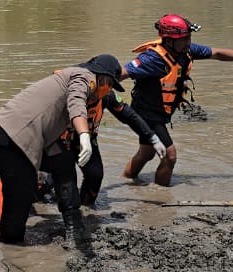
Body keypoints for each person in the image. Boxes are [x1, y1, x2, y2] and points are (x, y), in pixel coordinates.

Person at [0, 57, 133, 249]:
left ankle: (73, 225)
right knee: (20, 196)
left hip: (33, 138)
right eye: (110, 85)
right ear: (103, 77)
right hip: (11, 138)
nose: (109, 90)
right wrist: (84, 136)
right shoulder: (84, 77)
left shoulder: (80, 77)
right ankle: (11, 248)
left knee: (63, 164)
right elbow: (76, 103)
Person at [122, 13, 233, 187]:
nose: (188, 42)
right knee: (170, 156)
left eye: (189, 37)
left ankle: (127, 181)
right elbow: (122, 73)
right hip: (146, 115)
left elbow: (216, 53)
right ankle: (159, 198)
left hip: (159, 113)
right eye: (184, 39)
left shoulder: (185, 51)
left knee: (146, 153)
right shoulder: (151, 59)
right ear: (169, 40)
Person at [67, 54, 166, 205]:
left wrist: (153, 138)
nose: (109, 88)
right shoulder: (73, 89)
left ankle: (86, 209)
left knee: (95, 176)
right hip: (60, 140)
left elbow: (129, 116)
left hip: (88, 140)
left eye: (112, 85)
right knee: (56, 179)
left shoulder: (106, 95)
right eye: (109, 83)